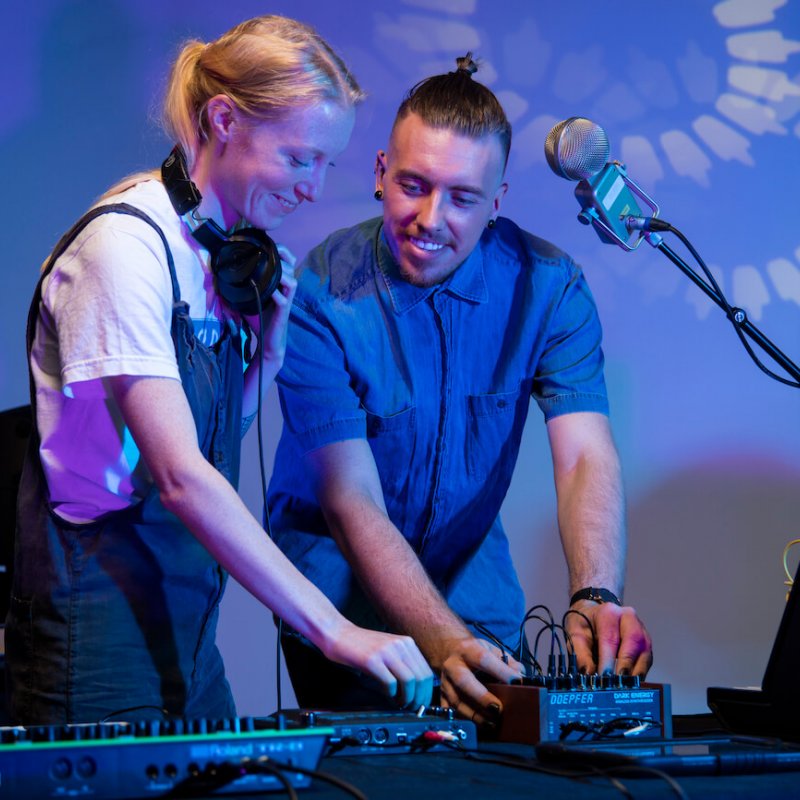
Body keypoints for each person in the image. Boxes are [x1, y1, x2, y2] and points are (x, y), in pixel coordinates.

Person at [7, 14, 433, 726]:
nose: (313, 186)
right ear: (225, 119)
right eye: (300, 158)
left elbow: (211, 434)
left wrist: (262, 355)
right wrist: (333, 628)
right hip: (98, 616)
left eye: (327, 163)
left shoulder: (230, 254)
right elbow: (180, 477)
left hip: (190, 616)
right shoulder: (126, 249)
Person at [268, 53, 653, 726]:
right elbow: (351, 501)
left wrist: (595, 592)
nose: (430, 218)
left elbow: (585, 455)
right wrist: (441, 643)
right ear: (381, 173)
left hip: (474, 575)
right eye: (413, 185)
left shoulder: (550, 286)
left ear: (496, 204)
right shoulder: (321, 293)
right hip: (341, 592)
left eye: (463, 198)